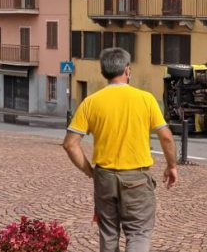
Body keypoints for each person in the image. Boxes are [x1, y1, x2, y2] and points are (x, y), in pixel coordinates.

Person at [62, 48, 178, 252]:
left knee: (108, 232)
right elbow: (166, 137)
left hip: (104, 177)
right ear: (127, 70)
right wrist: (172, 166)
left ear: (103, 72)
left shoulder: (90, 102)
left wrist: (90, 171)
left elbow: (70, 144)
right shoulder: (146, 99)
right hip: (137, 178)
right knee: (138, 232)